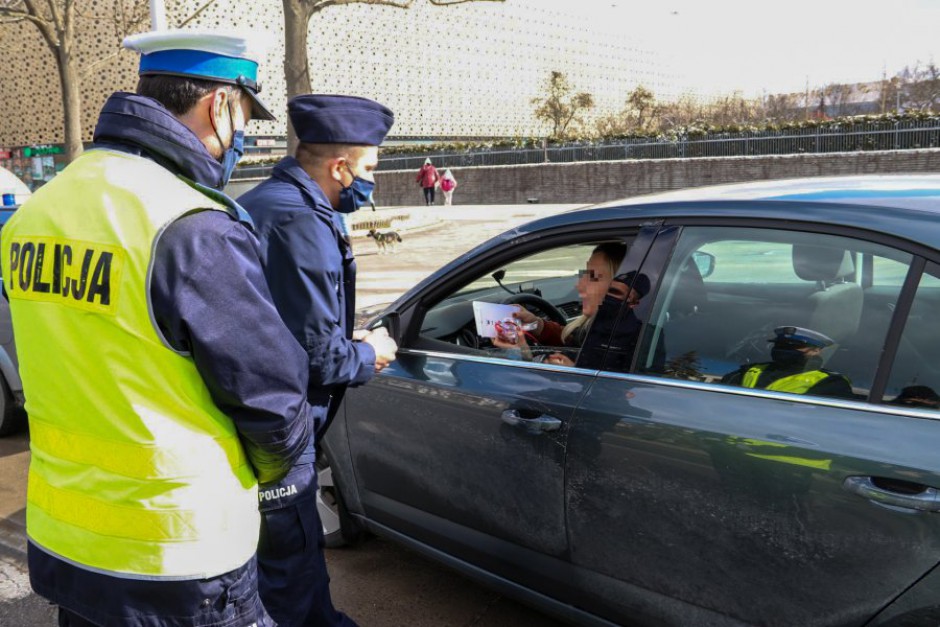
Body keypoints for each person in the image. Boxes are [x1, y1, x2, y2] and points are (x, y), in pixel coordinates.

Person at [0, 30, 315, 627]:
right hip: (179, 555)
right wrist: (281, 485)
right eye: (245, 114)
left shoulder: (38, 210)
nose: (242, 137)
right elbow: (273, 403)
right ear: (220, 104)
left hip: (69, 544)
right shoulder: (190, 221)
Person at [237, 94, 399, 627]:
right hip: (281, 426)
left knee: (268, 567)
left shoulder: (265, 202)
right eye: (370, 167)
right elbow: (318, 357)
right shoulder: (301, 223)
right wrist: (370, 352)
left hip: (249, 414)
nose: (372, 179)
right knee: (293, 571)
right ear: (340, 166)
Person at [494, 243, 627, 365]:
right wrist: (535, 324)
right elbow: (571, 339)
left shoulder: (619, 346)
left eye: (593, 278)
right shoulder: (601, 328)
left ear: (621, 288)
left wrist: (520, 357)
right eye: (584, 275)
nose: (579, 285)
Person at [721, 326, 854, 398]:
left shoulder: (831, 383)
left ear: (816, 351)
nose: (783, 351)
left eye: (792, 347)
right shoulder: (750, 371)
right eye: (780, 346)